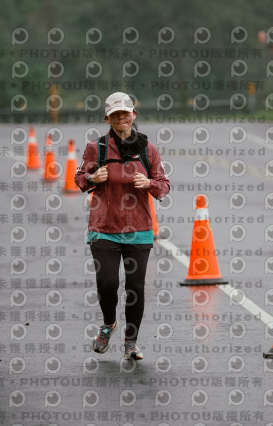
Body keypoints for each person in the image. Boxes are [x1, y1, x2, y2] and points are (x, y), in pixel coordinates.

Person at [75, 92, 170, 360]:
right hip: (103, 227)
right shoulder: (98, 148)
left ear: (133, 116)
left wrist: (149, 184)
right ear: (107, 118)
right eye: (115, 114)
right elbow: (79, 179)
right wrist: (93, 176)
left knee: (135, 288)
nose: (121, 118)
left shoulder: (148, 149)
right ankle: (109, 324)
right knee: (106, 283)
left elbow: (164, 186)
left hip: (138, 229)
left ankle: (131, 341)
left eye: (125, 113)